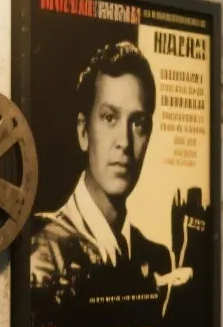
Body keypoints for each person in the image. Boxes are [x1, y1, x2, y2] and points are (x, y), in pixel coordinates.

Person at [26, 41, 175, 305]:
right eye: (109, 118)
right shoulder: (41, 252)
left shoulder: (157, 259)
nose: (125, 143)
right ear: (84, 132)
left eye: (138, 124)